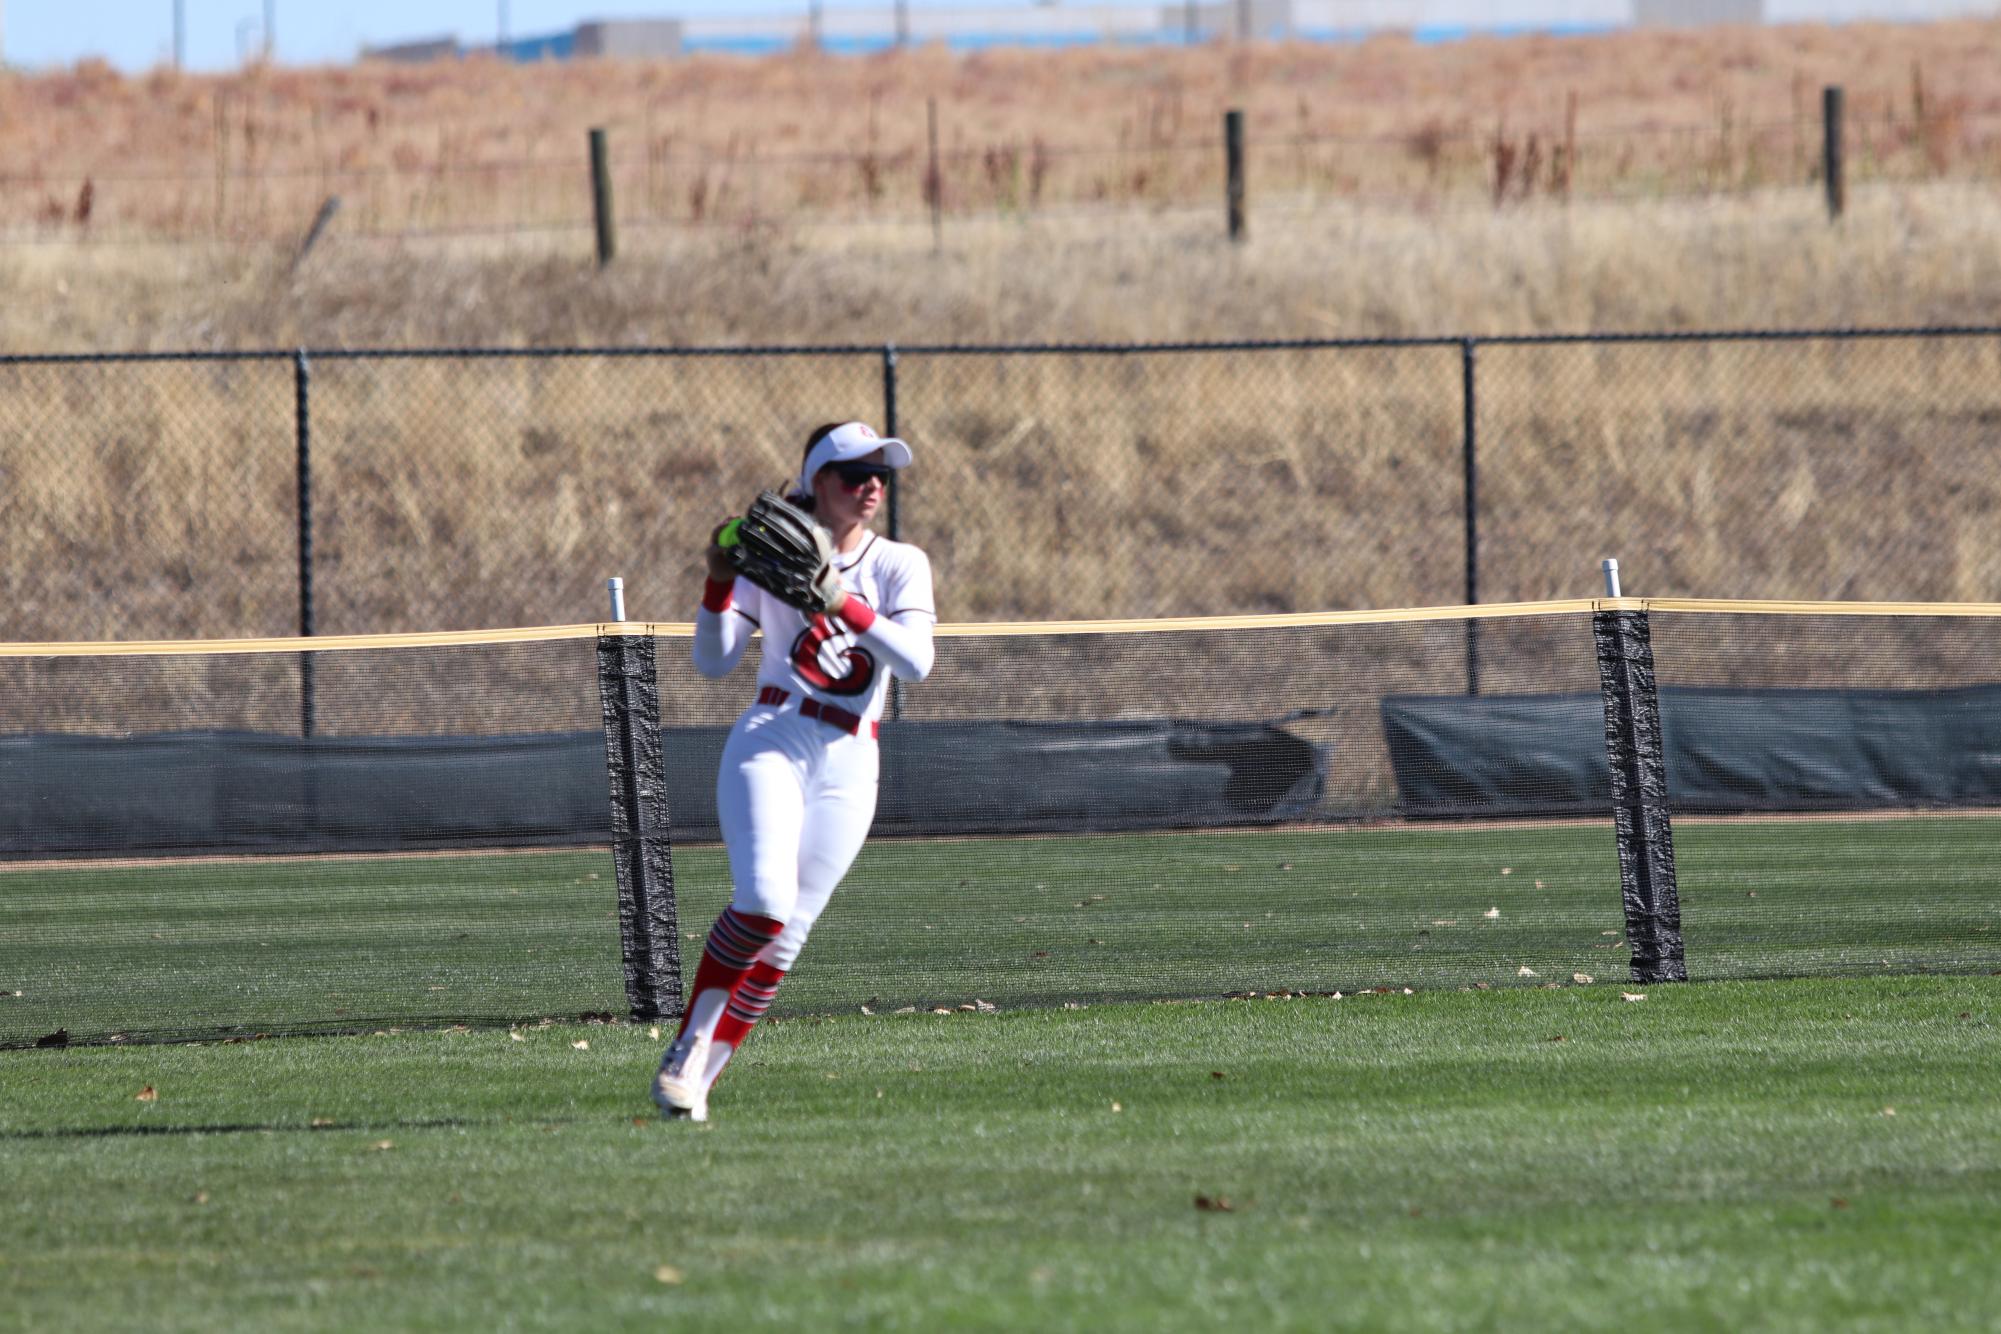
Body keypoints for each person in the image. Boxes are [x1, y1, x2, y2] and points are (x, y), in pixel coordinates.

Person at [652, 420, 937, 1122]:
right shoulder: (772, 551)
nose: (871, 485)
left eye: (881, 474)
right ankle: (688, 1044)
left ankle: (698, 1086)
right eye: (853, 473)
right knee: (763, 903)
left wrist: (843, 602)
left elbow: (916, 662)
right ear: (816, 482)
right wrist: (719, 580)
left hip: (852, 756)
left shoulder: (899, 563)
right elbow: (714, 660)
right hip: (775, 734)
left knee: (790, 932)